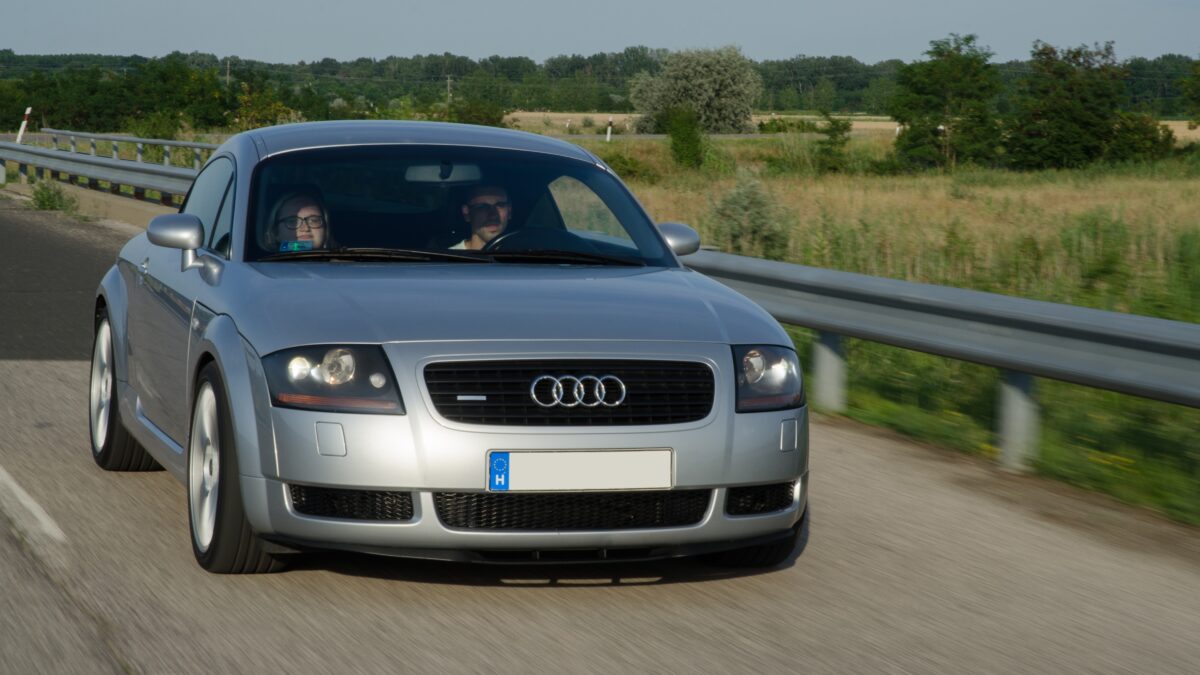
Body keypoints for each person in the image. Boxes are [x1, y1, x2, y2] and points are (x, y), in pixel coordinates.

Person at [453, 185, 511, 250]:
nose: (493, 215)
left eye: (500, 205)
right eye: (482, 207)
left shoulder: (519, 253)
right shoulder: (449, 255)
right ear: (466, 213)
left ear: (509, 211)